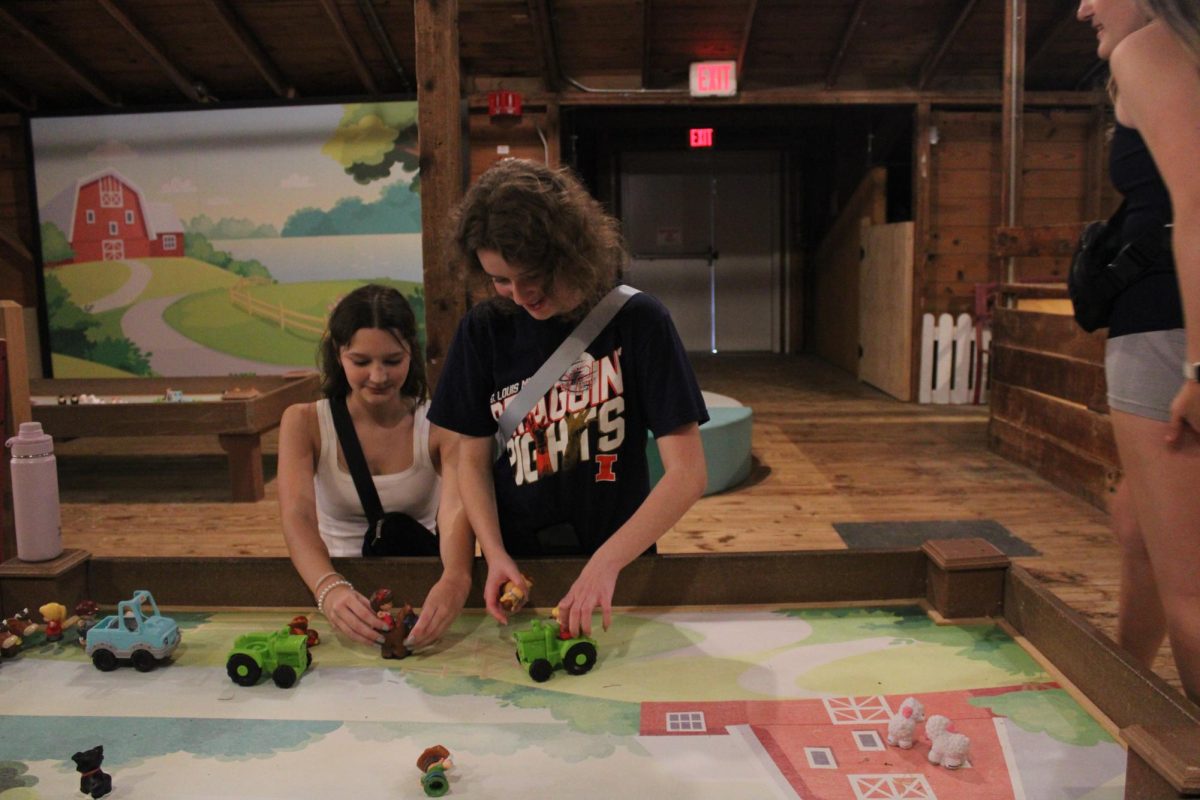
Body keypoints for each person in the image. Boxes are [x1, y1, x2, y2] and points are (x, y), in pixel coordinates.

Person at [427, 158, 709, 637]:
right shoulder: (484, 329)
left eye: (531, 275)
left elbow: (688, 474)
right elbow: (468, 461)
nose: (519, 295)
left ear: (570, 251)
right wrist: (492, 555)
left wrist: (608, 562)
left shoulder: (639, 320)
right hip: (519, 567)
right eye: (499, 279)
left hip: (619, 561)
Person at [1076, 0, 1200, 702]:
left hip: (1169, 333)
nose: (1084, 8)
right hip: (1175, 331)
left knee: (1191, 593)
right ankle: (1121, 689)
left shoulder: (1151, 50)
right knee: (1135, 521)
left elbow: (1197, 208)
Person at [278, 283, 473, 649]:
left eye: (392, 361)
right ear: (338, 355)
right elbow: (298, 516)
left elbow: (456, 513)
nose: (379, 376)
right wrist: (329, 589)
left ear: (410, 354)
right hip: (335, 584)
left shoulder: (441, 423)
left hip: (420, 586)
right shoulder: (303, 422)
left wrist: (456, 579)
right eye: (362, 362)